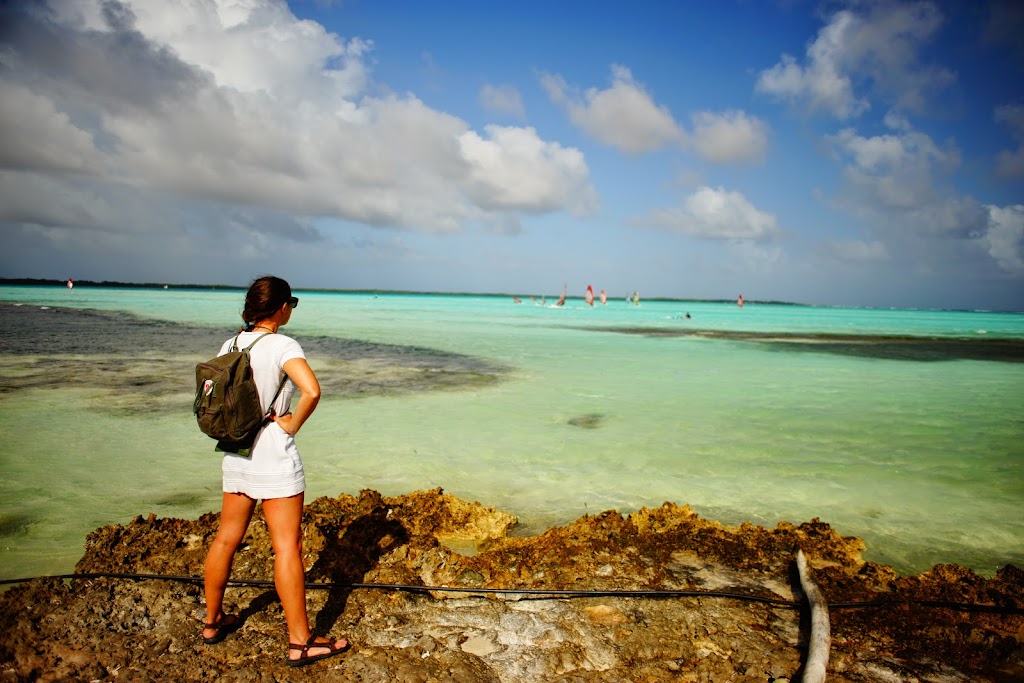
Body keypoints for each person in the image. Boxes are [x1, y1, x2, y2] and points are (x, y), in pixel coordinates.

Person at [201, 275, 349, 667]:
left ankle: (212, 622)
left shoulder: (231, 344)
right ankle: (300, 642)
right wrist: (292, 423)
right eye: (291, 304)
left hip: (236, 451)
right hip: (273, 455)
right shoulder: (283, 345)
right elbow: (312, 390)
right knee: (287, 547)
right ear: (282, 308)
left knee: (225, 539)